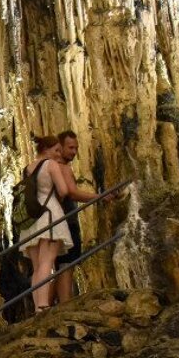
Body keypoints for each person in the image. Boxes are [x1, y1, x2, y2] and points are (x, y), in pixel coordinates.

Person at [17, 136, 72, 313]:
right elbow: (64, 190)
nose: (58, 154)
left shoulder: (27, 169)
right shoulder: (51, 165)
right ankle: (43, 305)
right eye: (56, 150)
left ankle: (37, 306)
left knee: (37, 267)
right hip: (49, 215)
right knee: (47, 262)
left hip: (32, 219)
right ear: (46, 149)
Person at [53, 130, 101, 303]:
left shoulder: (49, 165)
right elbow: (73, 193)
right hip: (66, 220)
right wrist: (99, 197)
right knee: (67, 264)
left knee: (60, 265)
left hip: (56, 222)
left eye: (76, 148)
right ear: (60, 146)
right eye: (70, 147)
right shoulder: (61, 166)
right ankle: (65, 306)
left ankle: (45, 307)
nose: (74, 152)